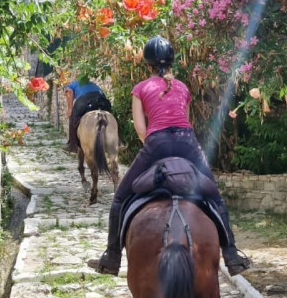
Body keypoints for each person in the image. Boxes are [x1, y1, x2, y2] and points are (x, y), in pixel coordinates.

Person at [88, 35, 251, 276]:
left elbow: (142, 130)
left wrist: (156, 146)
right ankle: (232, 255)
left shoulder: (140, 88)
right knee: (214, 195)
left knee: (121, 198)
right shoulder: (183, 87)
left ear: (147, 64)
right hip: (187, 142)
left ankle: (112, 258)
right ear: (172, 62)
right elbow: (186, 120)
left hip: (157, 143)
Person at [65, 78, 112, 153]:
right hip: (100, 96)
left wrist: (70, 109)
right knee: (109, 116)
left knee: (73, 118)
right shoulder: (89, 83)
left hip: (84, 98)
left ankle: (72, 146)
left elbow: (69, 92)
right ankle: (119, 140)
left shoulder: (71, 85)